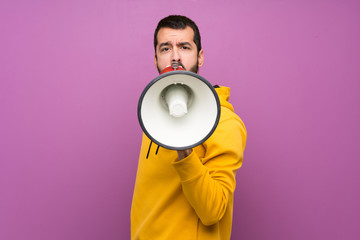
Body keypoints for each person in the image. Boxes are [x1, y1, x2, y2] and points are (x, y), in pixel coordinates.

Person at [131, 15, 247, 240]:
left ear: (200, 57)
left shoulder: (225, 123)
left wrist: (184, 148)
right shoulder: (153, 112)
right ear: (155, 58)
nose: (175, 57)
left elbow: (213, 212)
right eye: (165, 48)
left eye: (184, 47)